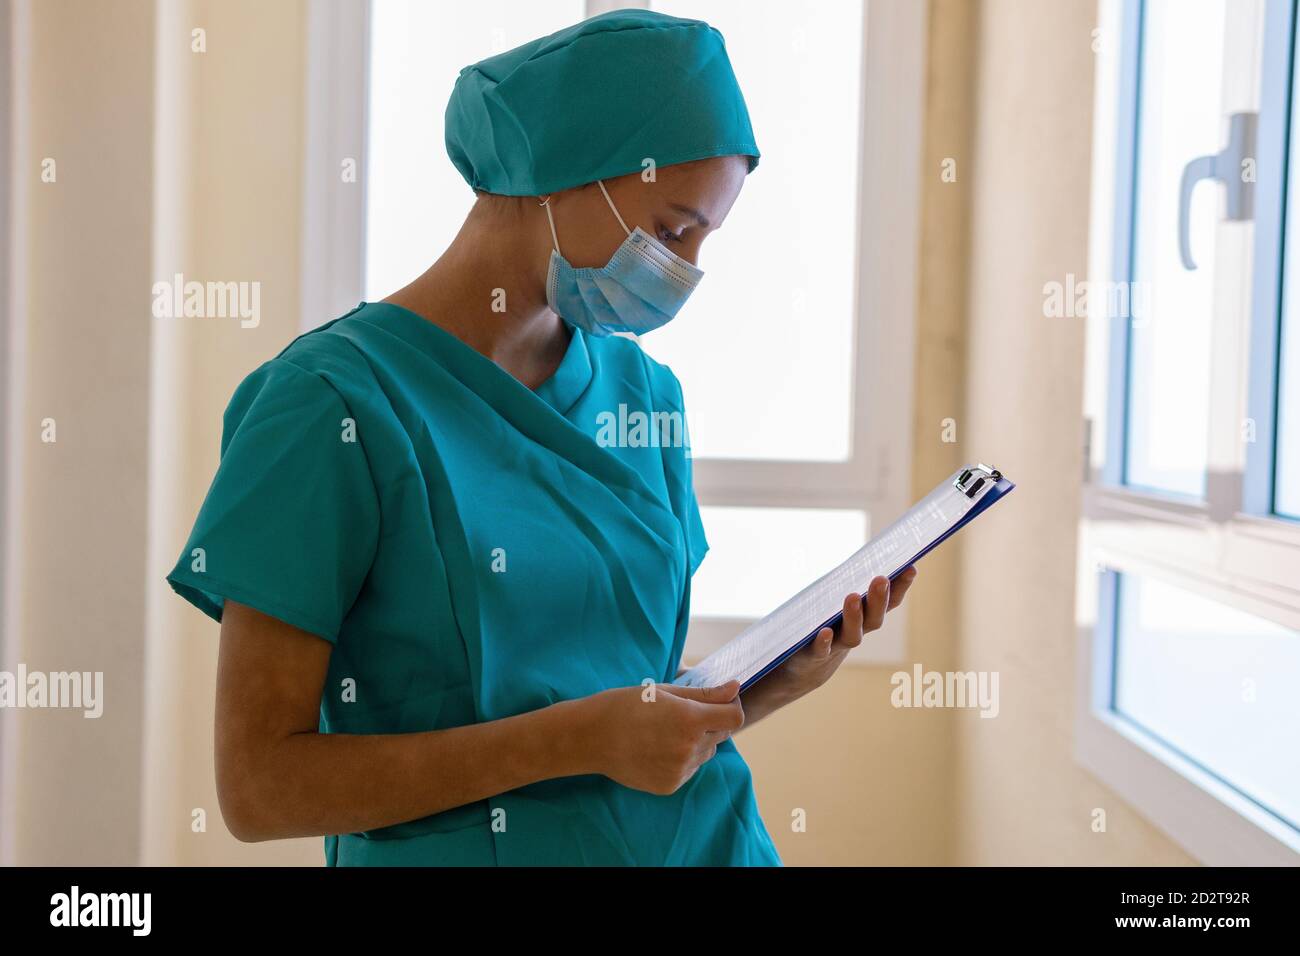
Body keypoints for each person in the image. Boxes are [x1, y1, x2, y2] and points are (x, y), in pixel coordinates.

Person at [167, 8, 916, 866]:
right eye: (672, 230)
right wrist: (574, 741)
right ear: (562, 171)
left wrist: (761, 686)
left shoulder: (645, 396)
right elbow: (259, 788)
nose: (687, 268)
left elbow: (629, 700)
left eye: (706, 238)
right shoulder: (328, 405)